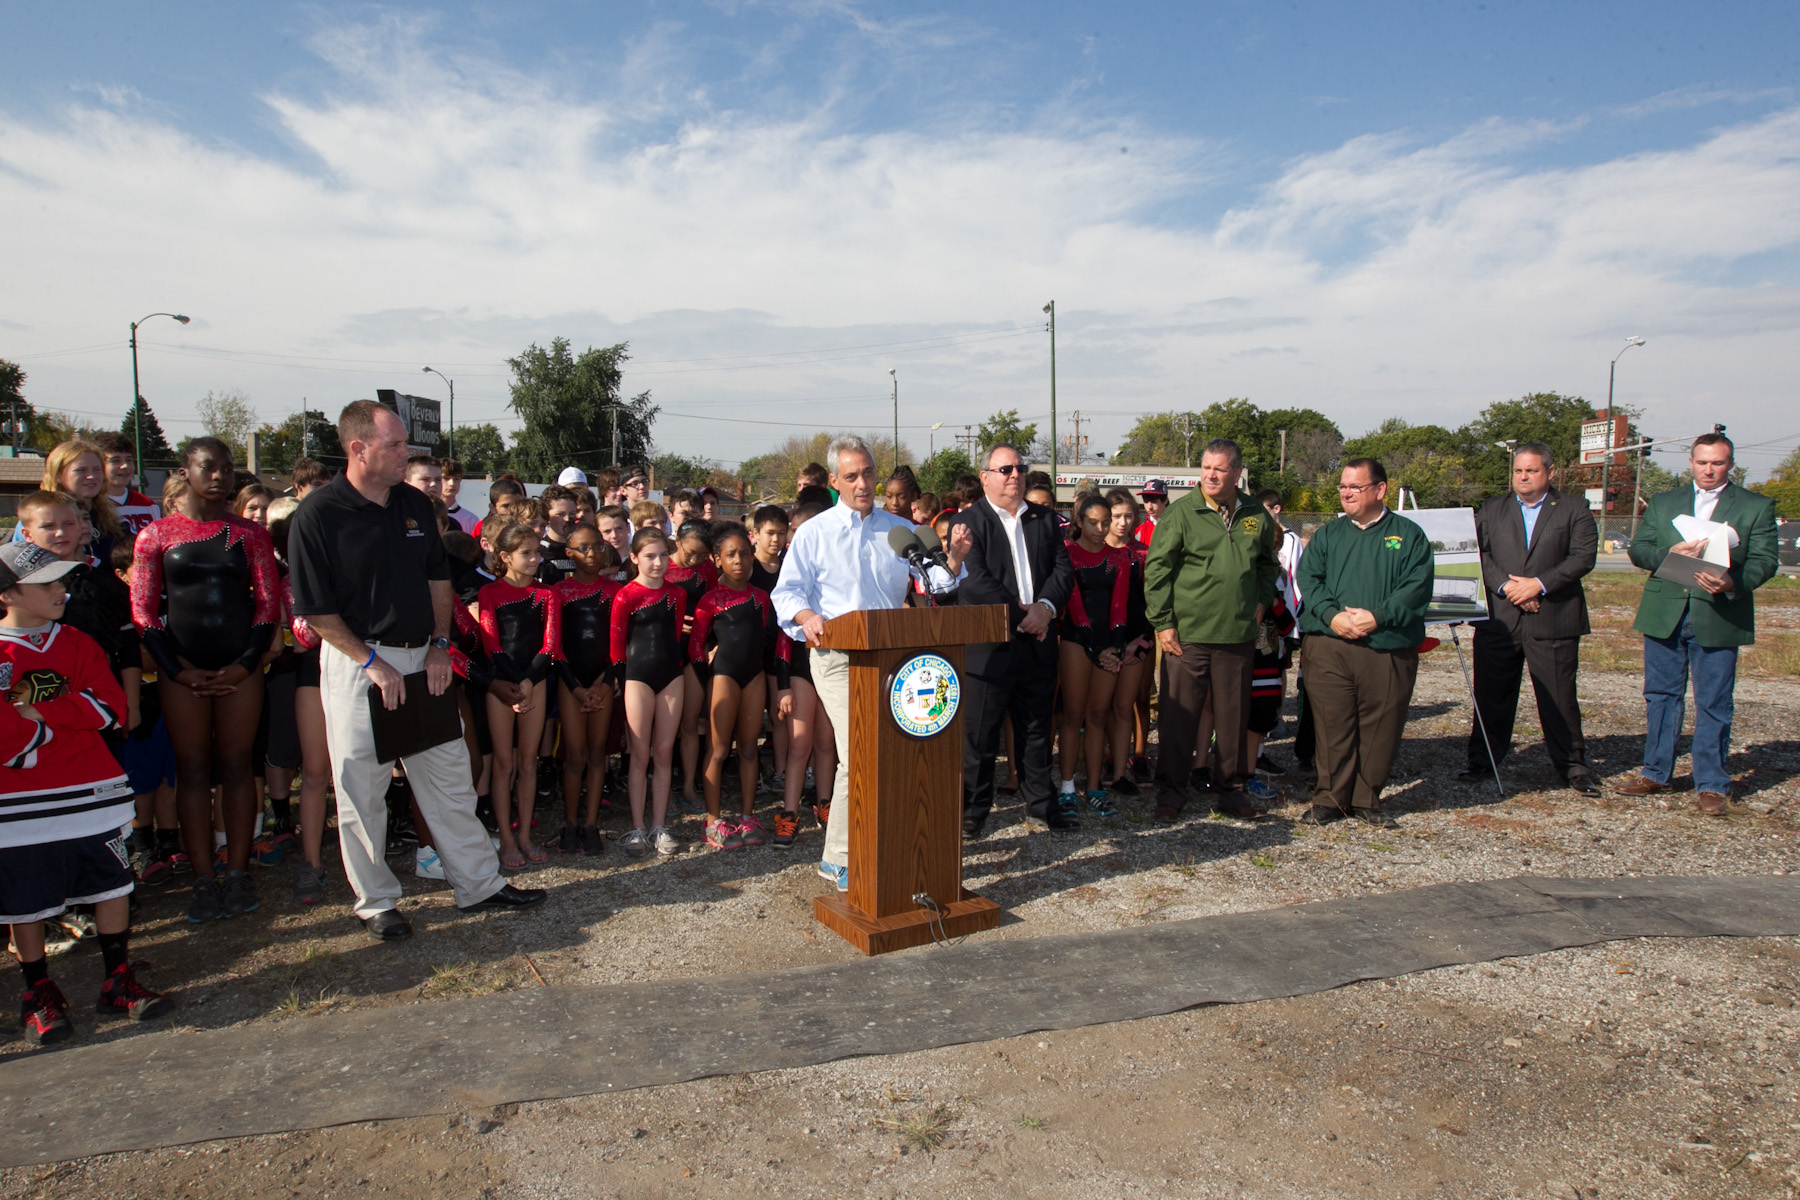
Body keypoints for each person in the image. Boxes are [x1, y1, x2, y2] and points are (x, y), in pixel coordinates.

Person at [288, 401, 544, 940]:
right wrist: (370, 661)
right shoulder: (317, 515)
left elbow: (438, 582)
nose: (407, 455)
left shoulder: (411, 504)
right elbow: (314, 609)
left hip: (422, 658)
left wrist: (437, 646)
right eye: (396, 446)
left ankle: (478, 884)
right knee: (362, 787)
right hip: (359, 665)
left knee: (449, 776)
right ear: (358, 449)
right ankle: (376, 901)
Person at [772, 436, 968, 890]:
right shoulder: (815, 532)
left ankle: (883, 841)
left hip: (894, 656)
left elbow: (932, 582)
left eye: (869, 473)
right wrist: (806, 616)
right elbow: (786, 594)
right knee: (861, 748)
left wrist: (954, 557)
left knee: (891, 749)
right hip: (837, 656)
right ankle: (840, 857)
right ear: (835, 480)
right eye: (853, 475)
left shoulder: (896, 530)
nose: (864, 483)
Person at [0, 543, 172, 1044]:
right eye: (48, 583)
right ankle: (39, 991)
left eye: (62, 581)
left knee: (111, 885)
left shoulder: (76, 641)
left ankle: (117, 980)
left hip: (91, 791)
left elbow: (110, 706)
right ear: (9, 592)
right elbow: (6, 735)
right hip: (19, 801)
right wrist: (62, 719)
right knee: (25, 899)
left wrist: (41, 715)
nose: (61, 590)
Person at [131, 437, 282, 924]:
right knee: (193, 771)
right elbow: (144, 611)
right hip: (182, 670)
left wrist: (246, 663)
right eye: (207, 467)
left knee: (238, 767)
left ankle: (237, 871)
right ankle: (203, 879)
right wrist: (175, 669)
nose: (219, 476)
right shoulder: (156, 535)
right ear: (185, 470)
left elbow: (266, 605)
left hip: (241, 665)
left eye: (226, 468)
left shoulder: (251, 535)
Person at [1622, 432, 1779, 814]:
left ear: (1730, 465)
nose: (1709, 470)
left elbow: (1765, 559)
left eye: (1718, 463)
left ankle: (1711, 783)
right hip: (1666, 612)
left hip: (1719, 613)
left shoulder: (1755, 506)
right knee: (1660, 695)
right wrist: (1667, 553)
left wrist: (1733, 582)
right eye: (1703, 462)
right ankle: (1656, 772)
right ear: (1690, 462)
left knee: (1714, 702)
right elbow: (1639, 550)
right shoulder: (1663, 503)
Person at [1143, 440, 1279, 821]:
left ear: (1237, 473)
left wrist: (1261, 601)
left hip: (1237, 637)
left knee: (1234, 719)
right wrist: (1164, 623)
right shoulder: (1182, 513)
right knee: (1178, 719)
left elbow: (1268, 563)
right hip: (1187, 637)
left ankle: (1232, 792)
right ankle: (1170, 792)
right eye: (1205, 468)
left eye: (1219, 469)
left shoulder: (1255, 514)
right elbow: (1157, 571)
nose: (1210, 475)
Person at [940, 443, 1070, 838]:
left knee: (1036, 730)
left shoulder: (1045, 519)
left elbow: (1062, 570)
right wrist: (1026, 616)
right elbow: (975, 581)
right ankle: (973, 810)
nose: (1015, 475)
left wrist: (1045, 608)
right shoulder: (968, 522)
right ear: (985, 478)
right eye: (1005, 469)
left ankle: (1041, 806)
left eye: (1019, 468)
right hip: (988, 648)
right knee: (979, 735)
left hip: (1038, 643)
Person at [1295, 458, 1433, 827]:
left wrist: (1379, 616)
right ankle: (1330, 798)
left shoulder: (1408, 535)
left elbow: (1416, 587)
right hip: (1330, 645)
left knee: (1380, 724)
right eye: (1342, 486)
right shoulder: (1328, 535)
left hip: (1386, 645)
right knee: (1331, 723)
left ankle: (1366, 799)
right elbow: (1308, 578)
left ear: (1380, 489)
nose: (1346, 493)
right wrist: (1332, 615)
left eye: (1354, 487)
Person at [1461, 443, 1601, 795]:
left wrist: (1538, 585)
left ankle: (1573, 767)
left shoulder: (1574, 508)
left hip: (1552, 618)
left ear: (1550, 473)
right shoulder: (1492, 508)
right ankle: (1483, 761)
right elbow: (1479, 553)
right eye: (1519, 471)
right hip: (1500, 620)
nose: (1523, 477)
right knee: (1491, 696)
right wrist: (1509, 586)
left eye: (1532, 470)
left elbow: (1583, 557)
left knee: (1559, 697)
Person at [689, 522, 783, 849]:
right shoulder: (710, 601)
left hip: (754, 677)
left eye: (745, 553)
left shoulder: (761, 598)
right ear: (717, 559)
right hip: (723, 678)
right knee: (717, 750)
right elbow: (695, 647)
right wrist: (709, 682)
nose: (739, 560)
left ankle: (747, 815)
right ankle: (713, 819)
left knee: (747, 748)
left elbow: (771, 639)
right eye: (731, 555)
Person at [476, 523, 562, 868]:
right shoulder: (490, 593)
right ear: (504, 557)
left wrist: (528, 681)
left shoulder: (546, 594)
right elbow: (491, 642)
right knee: (504, 763)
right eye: (526, 553)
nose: (534, 559)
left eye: (536, 552)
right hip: (501, 685)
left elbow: (551, 643)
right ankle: (506, 838)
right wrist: (515, 683)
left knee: (528, 763)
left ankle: (525, 834)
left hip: (534, 682)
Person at [610, 528, 686, 859]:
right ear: (635, 558)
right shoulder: (626, 596)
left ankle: (659, 825)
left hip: (671, 675)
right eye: (650, 556)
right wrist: (619, 678)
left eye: (663, 556)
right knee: (640, 754)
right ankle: (638, 827)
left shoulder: (677, 594)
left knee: (665, 752)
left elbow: (674, 637)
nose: (658, 563)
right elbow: (616, 646)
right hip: (637, 677)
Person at [1056, 494, 1128, 818]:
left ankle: (1095, 786)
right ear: (1079, 523)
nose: (1100, 529)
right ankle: (1067, 786)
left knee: (1098, 716)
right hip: (1075, 640)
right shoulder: (1067, 554)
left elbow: (1119, 605)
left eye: (1105, 522)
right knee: (1072, 716)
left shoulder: (1120, 557)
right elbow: (1072, 602)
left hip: (1107, 645)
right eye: (1093, 522)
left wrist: (1115, 647)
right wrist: (1093, 647)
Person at [552, 525, 619, 855]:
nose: (591, 554)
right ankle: (570, 822)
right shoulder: (559, 592)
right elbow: (555, 646)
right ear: (569, 554)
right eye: (583, 548)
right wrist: (577, 689)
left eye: (597, 547)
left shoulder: (614, 591)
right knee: (575, 757)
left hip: (602, 683)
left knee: (597, 754)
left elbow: (619, 643)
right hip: (572, 683)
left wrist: (605, 683)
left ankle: (591, 824)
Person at [93, 431, 161, 538]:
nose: (125, 466)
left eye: (129, 460)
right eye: (116, 460)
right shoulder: (92, 505)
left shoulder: (148, 505)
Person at [440, 458, 479, 534]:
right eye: (446, 478)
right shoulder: (425, 514)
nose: (452, 483)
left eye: (456, 479)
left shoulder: (470, 519)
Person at [1135, 479, 1169, 547]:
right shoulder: (1139, 531)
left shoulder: (1178, 525)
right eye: (1146, 502)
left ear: (1165, 500)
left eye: (1154, 501)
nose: (1149, 507)